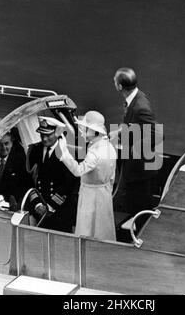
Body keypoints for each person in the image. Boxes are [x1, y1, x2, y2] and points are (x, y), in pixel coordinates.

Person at [111, 67, 159, 233]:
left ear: (119, 86)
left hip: (141, 168)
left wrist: (132, 150)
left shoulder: (140, 106)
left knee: (141, 205)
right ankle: (137, 229)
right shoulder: (135, 98)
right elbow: (136, 125)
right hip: (137, 166)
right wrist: (120, 132)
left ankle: (143, 235)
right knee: (134, 203)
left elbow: (156, 135)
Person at [58, 111, 117, 241]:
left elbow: (78, 171)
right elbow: (112, 176)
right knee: (103, 228)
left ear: (93, 130)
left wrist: (64, 153)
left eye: (85, 129)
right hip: (105, 194)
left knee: (86, 228)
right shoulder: (110, 147)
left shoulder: (94, 152)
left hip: (89, 195)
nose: (82, 131)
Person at [26, 116, 79, 232]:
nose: (44, 139)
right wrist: (37, 203)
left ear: (57, 133)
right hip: (39, 208)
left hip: (60, 211)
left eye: (48, 135)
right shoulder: (35, 150)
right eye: (42, 135)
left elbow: (69, 184)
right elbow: (29, 180)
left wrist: (49, 207)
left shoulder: (68, 153)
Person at [0, 132, 31, 209]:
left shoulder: (20, 159)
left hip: (10, 207)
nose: (3, 148)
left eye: (6, 143)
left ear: (12, 143)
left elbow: (24, 184)